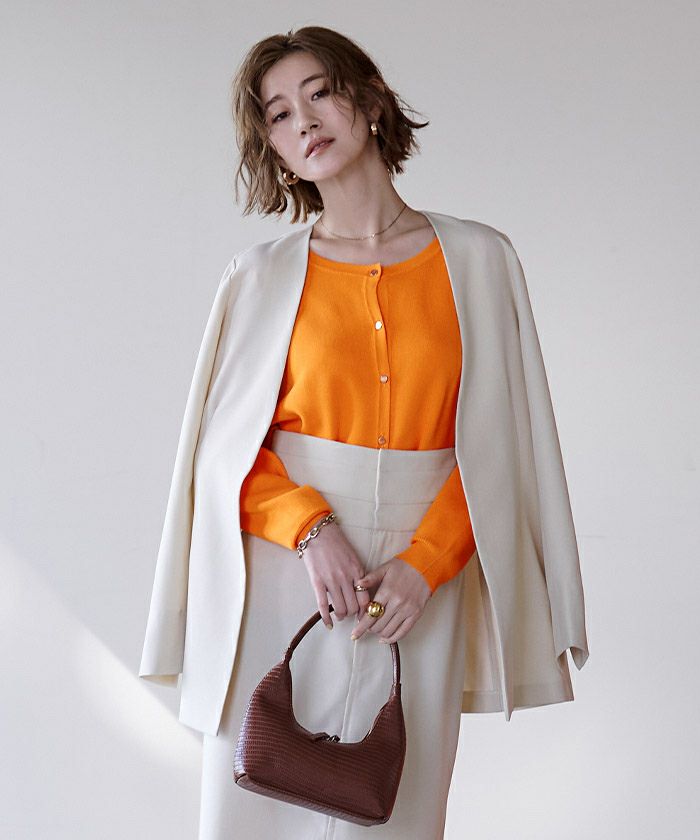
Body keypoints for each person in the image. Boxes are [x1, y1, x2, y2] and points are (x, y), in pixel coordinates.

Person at [138, 24, 590, 840]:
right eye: (279, 114)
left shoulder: (479, 260)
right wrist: (312, 531)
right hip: (286, 570)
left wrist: (427, 563)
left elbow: (504, 447)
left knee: (397, 809)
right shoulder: (261, 276)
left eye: (319, 93)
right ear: (274, 150)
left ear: (372, 100)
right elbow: (226, 455)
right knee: (255, 803)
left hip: (422, 580)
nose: (303, 120)